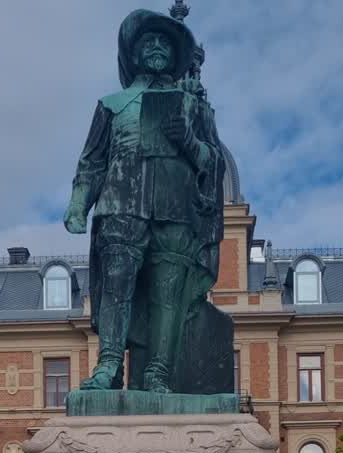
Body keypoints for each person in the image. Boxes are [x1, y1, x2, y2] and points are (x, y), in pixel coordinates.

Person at [64, 8, 225, 394]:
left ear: (174, 56)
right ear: (133, 54)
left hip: (174, 209)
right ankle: (109, 367)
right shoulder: (111, 104)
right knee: (117, 287)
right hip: (120, 205)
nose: (156, 48)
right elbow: (92, 161)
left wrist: (187, 140)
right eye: (148, 42)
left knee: (167, 294)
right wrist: (77, 204)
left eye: (164, 43)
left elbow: (213, 164)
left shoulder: (195, 107)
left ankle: (157, 372)